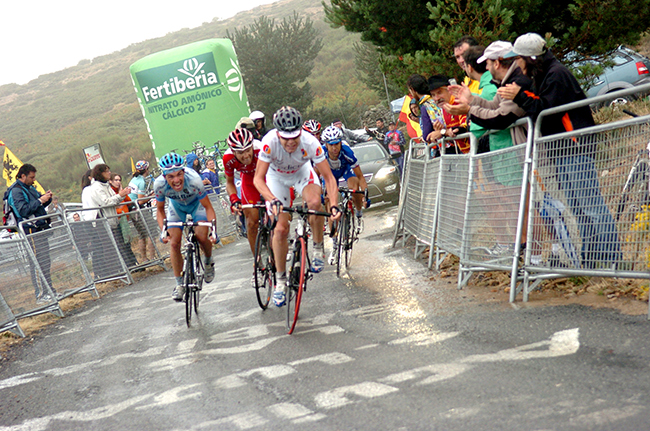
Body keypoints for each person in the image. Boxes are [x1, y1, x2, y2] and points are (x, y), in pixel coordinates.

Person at [498, 32, 620, 268]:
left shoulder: (556, 74)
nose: (515, 64)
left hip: (575, 146)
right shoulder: (542, 74)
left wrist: (519, 96)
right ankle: (592, 258)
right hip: (562, 149)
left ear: (531, 58)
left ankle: (612, 258)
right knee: (577, 206)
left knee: (590, 205)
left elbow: (545, 108)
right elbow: (538, 104)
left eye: (518, 58)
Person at [253, 106, 341, 307]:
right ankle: (281, 281)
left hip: (302, 172)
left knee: (314, 203)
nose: (291, 142)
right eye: (286, 138)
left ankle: (318, 247)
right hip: (276, 178)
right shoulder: (269, 143)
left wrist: (334, 205)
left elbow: (328, 177)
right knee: (281, 229)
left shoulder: (311, 142)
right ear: (278, 134)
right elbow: (258, 179)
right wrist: (271, 198)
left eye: (295, 137)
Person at [155, 153, 217, 301]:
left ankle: (208, 261)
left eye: (179, 174)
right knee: (174, 243)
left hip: (197, 206)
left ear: (183, 171)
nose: (176, 180)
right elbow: (160, 210)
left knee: (202, 236)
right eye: (171, 177)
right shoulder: (159, 185)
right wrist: (164, 231)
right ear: (164, 177)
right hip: (176, 208)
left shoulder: (195, 180)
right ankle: (179, 284)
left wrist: (214, 230)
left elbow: (208, 207)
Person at [318, 125, 368, 264]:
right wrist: (320, 194)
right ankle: (334, 245)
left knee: (354, 187)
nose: (334, 148)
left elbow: (360, 176)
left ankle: (358, 214)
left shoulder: (347, 152)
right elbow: (316, 176)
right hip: (329, 174)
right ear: (326, 144)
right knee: (329, 206)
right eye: (331, 145)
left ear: (341, 142)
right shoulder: (321, 154)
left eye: (337, 144)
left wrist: (365, 194)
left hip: (346, 170)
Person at [5, 164, 55, 301]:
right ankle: (41, 294)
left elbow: (37, 206)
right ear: (23, 176)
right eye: (31, 177)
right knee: (36, 261)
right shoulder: (16, 191)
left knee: (45, 261)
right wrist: (40, 200)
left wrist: (46, 199)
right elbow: (23, 210)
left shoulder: (30, 188)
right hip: (30, 230)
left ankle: (49, 290)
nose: (33, 180)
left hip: (39, 229)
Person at [86, 164, 138, 268]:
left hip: (113, 219)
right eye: (106, 171)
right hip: (104, 221)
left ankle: (130, 266)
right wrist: (120, 195)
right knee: (113, 246)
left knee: (122, 243)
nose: (109, 173)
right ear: (100, 173)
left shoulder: (106, 185)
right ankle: (120, 269)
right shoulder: (96, 187)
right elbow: (106, 202)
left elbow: (113, 199)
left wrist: (120, 195)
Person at [223, 128, 263, 258]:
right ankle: (257, 262)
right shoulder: (228, 158)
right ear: (233, 152)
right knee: (251, 222)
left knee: (278, 216)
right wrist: (234, 199)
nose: (245, 155)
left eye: (247, 150)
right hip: (248, 180)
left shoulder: (261, 148)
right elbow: (229, 183)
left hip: (266, 176)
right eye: (240, 152)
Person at [427, 74, 470, 154]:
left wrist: (442, 132)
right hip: (464, 153)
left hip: (477, 151)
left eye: (439, 93)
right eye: (433, 95)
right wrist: (442, 130)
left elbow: (463, 128)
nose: (437, 98)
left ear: (449, 90)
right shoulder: (445, 107)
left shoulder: (458, 102)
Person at [406, 74, 445, 151]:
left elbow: (426, 134)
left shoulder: (425, 106)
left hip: (442, 147)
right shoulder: (437, 100)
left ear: (413, 90)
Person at [127, 160, 156, 261]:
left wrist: (148, 196)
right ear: (146, 170)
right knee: (152, 231)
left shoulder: (134, 178)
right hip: (137, 208)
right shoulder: (142, 181)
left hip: (131, 208)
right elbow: (140, 200)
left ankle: (144, 259)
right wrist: (151, 196)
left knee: (142, 234)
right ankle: (152, 257)